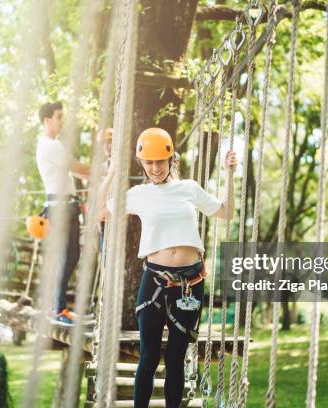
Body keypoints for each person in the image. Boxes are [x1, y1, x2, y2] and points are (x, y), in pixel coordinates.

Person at [100, 127, 237, 407]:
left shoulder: (189, 189)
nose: (154, 168)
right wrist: (112, 172)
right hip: (155, 283)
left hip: (191, 284)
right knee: (148, 356)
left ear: (171, 159)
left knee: (176, 356)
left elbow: (226, 212)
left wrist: (230, 174)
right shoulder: (139, 194)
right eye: (148, 163)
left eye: (159, 162)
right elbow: (100, 210)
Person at [36, 101, 90, 325]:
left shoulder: (51, 144)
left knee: (69, 256)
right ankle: (57, 309)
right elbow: (80, 169)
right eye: (58, 116)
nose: (62, 121)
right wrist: (110, 173)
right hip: (60, 208)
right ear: (47, 120)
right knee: (67, 256)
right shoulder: (50, 146)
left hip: (65, 205)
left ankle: (57, 307)